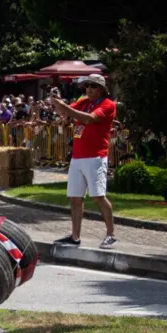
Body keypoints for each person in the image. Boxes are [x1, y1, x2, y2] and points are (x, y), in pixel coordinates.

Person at [52, 74, 117, 249]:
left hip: (95, 156)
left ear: (101, 89)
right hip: (78, 156)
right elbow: (65, 112)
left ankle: (110, 235)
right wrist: (57, 102)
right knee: (75, 198)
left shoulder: (108, 105)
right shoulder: (84, 102)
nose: (88, 89)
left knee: (98, 196)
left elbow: (89, 118)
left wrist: (63, 106)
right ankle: (75, 237)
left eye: (93, 86)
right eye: (87, 86)